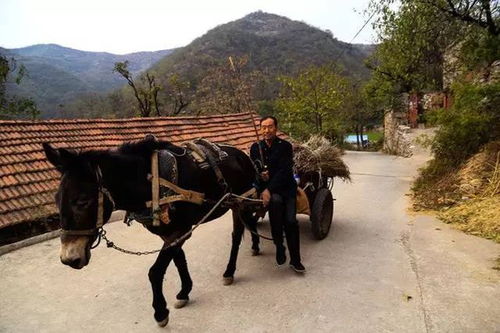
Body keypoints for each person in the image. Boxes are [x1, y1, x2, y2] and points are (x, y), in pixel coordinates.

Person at [250, 116, 306, 273]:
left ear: (276, 128)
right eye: (263, 127)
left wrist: (269, 187)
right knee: (275, 213)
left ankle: (296, 260)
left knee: (290, 221)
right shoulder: (255, 147)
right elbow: (254, 168)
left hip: (286, 188)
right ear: (261, 129)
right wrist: (261, 178)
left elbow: (284, 171)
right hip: (268, 192)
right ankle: (279, 246)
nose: (266, 130)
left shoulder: (285, 146)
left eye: (270, 127)